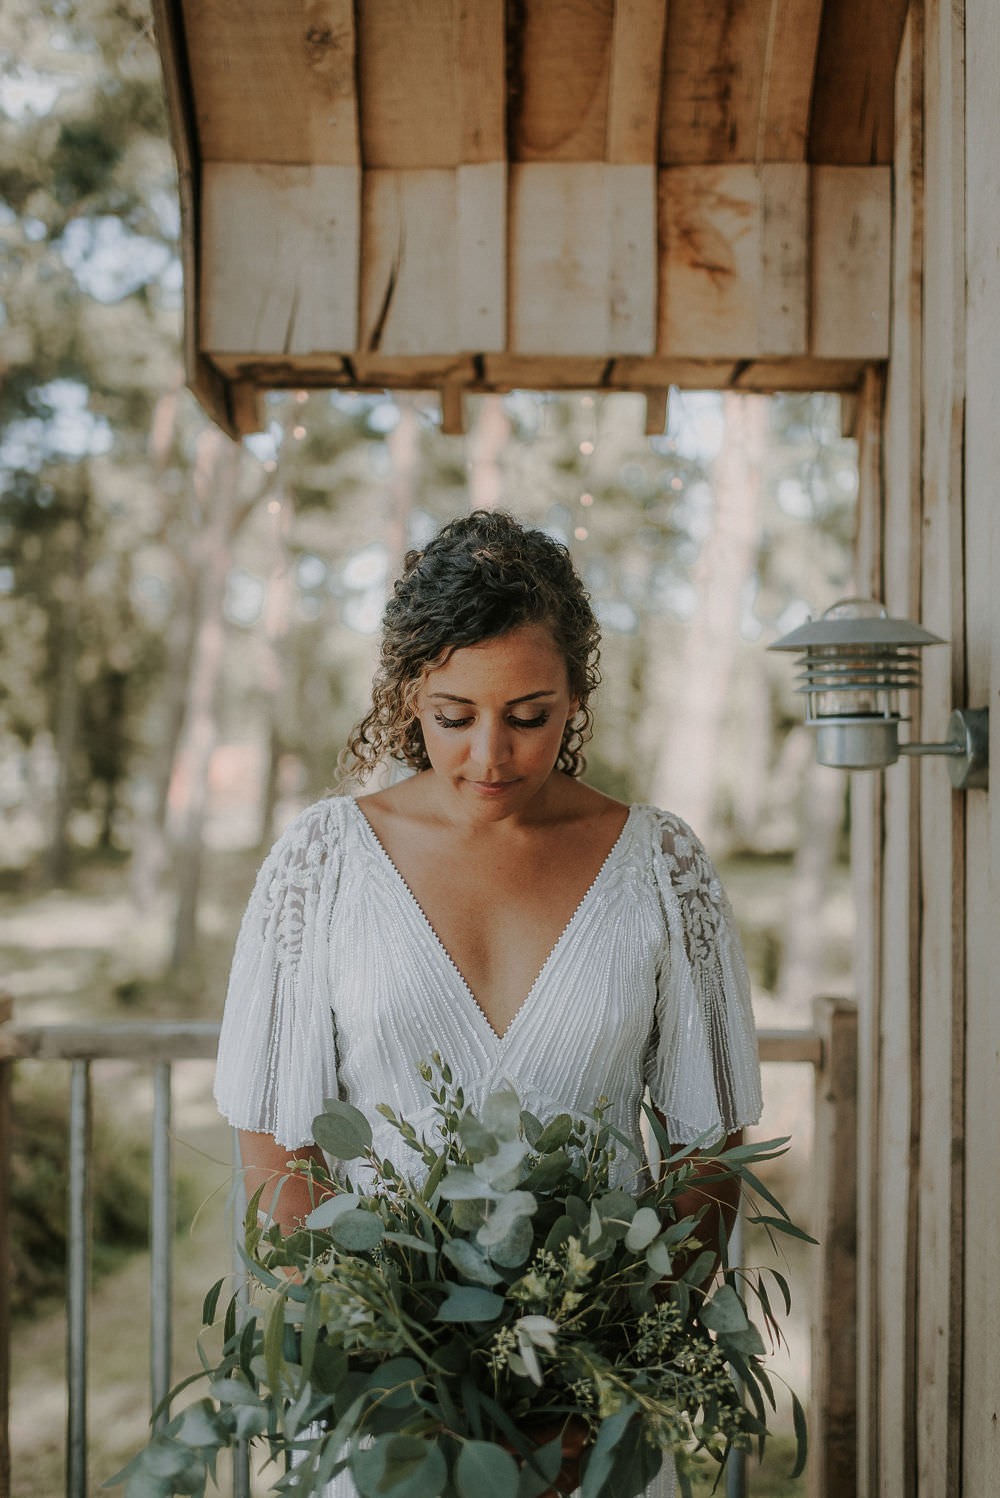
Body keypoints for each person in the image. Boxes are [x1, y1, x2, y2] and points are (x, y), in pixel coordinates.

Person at [214, 509, 763, 1498]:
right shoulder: (320, 863)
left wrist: (599, 1388)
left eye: (529, 715)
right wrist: (392, 1385)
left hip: (593, 1421)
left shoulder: (662, 866)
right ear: (406, 694)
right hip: (385, 1419)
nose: (489, 756)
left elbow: (707, 1158)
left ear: (576, 698)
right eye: (454, 714)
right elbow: (276, 1161)